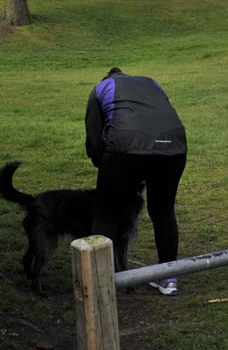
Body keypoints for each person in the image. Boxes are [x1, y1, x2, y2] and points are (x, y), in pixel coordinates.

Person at [85, 67, 187, 296]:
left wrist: (105, 170)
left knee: (106, 214)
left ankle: (100, 284)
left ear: (107, 77)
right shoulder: (151, 82)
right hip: (174, 146)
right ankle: (168, 278)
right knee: (163, 211)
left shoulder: (101, 87)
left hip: (125, 145)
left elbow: (95, 139)